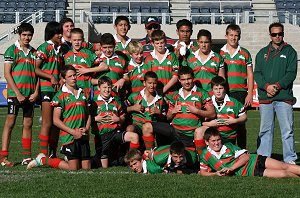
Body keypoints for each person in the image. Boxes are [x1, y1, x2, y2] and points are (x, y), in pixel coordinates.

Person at [27, 65, 91, 170]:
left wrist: (87, 128)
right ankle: (43, 160)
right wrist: (73, 132)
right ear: (63, 79)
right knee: (73, 168)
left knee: (86, 168)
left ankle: (70, 158)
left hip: (82, 134)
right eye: (70, 76)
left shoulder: (83, 93)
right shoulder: (59, 96)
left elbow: (88, 114)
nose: (73, 78)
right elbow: (55, 120)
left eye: (74, 75)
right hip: (69, 136)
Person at [254, 22, 298, 164]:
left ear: (283, 34)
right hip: (266, 97)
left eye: (280, 34)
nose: (277, 36)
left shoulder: (290, 52)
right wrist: (267, 87)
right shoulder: (262, 53)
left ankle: (290, 159)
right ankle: (263, 159)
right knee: (265, 130)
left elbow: (291, 73)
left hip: (284, 97)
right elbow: (257, 73)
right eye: (274, 34)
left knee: (287, 131)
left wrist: (277, 86)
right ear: (270, 35)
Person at [142, 66, 215, 150]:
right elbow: (168, 117)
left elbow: (212, 114)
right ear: (179, 80)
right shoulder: (175, 95)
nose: (186, 82)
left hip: (189, 134)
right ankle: (149, 154)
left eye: (189, 79)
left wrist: (197, 111)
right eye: (183, 80)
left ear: (193, 78)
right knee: (147, 127)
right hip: (173, 130)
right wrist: (173, 111)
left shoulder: (202, 93)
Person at [0, 23, 39, 167]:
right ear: (19, 35)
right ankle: (4, 157)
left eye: (29, 35)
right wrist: (17, 93)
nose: (27, 38)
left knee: (28, 124)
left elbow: (38, 74)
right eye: (24, 35)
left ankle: (27, 157)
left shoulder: (34, 52)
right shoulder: (12, 50)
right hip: (15, 94)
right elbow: (7, 73)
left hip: (30, 95)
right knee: (10, 123)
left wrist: (36, 92)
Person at [199, 128, 300, 178]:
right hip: (250, 172)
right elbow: (203, 172)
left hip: (255, 159)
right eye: (213, 141)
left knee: (284, 166)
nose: (217, 143)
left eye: (218, 140)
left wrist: (231, 168)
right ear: (207, 142)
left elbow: (246, 157)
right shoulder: (204, 155)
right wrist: (215, 174)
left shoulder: (228, 146)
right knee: (283, 174)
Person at [90, 76, 139, 168]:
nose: (107, 90)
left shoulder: (115, 102)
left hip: (115, 133)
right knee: (104, 166)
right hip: (102, 136)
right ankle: (97, 159)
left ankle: (133, 161)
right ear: (98, 88)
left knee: (134, 136)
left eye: (109, 87)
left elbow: (122, 116)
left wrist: (119, 119)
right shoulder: (94, 103)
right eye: (104, 87)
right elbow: (87, 119)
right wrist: (96, 119)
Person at [220, 24, 254, 149]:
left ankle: (242, 151)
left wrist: (250, 93)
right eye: (231, 35)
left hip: (240, 92)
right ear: (226, 36)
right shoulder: (220, 53)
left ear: (239, 37)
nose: (233, 38)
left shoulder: (245, 53)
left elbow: (250, 74)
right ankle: (227, 151)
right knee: (225, 123)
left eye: (236, 35)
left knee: (240, 124)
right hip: (225, 93)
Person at [35, 21, 64, 157]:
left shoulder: (59, 49)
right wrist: (51, 77)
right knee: (47, 122)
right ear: (51, 33)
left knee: (56, 123)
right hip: (46, 89)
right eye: (58, 33)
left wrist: (60, 78)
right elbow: (36, 69)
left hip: (57, 90)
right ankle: (43, 153)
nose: (60, 35)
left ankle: (52, 152)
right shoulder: (45, 47)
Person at [63, 28, 109, 96]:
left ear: (83, 40)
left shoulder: (89, 53)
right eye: (74, 40)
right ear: (70, 40)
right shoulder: (66, 55)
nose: (77, 42)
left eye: (79, 40)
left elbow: (105, 67)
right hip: (70, 91)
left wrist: (87, 70)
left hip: (86, 90)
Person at [202, 76, 247, 144]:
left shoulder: (234, 102)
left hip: (230, 137)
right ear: (212, 90)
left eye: (221, 88)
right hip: (213, 139)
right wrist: (209, 124)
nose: (218, 91)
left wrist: (235, 120)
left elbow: (244, 117)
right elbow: (199, 122)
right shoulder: (207, 102)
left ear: (225, 89)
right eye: (215, 89)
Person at [126, 71, 165, 141]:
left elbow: (165, 117)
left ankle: (149, 150)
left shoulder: (160, 99)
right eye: (149, 83)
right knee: (129, 129)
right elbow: (123, 110)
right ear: (144, 83)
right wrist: (133, 108)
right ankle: (131, 151)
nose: (152, 86)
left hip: (151, 127)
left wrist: (159, 113)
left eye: (154, 83)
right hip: (137, 125)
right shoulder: (134, 96)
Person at [187, 29, 225, 94]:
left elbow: (221, 79)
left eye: (206, 42)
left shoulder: (218, 58)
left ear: (210, 42)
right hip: (195, 95)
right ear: (197, 42)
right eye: (201, 42)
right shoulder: (190, 58)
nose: (203, 45)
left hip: (212, 95)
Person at [142, 29, 179, 96]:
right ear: (152, 44)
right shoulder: (148, 58)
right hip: (155, 95)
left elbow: (175, 77)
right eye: (157, 43)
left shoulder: (172, 56)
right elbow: (146, 79)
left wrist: (163, 90)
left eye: (162, 43)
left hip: (171, 94)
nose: (160, 45)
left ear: (165, 42)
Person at [91, 33, 127, 100]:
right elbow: (89, 80)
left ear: (114, 46)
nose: (107, 50)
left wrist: (123, 80)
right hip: (98, 100)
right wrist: (102, 82)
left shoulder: (121, 59)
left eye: (110, 47)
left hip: (116, 99)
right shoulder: (94, 60)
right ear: (101, 47)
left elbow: (127, 78)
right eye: (105, 47)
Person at [124, 141, 197, 174]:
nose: (178, 160)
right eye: (131, 166)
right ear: (171, 154)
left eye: (181, 157)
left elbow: (148, 154)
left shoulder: (192, 158)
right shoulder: (158, 159)